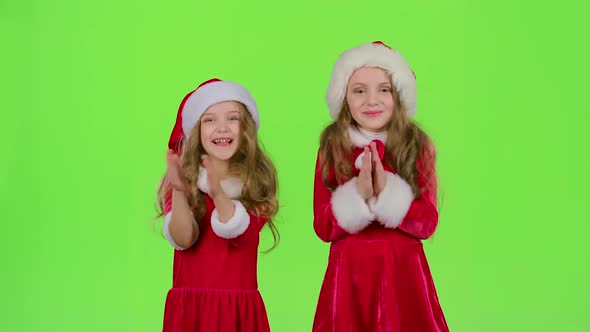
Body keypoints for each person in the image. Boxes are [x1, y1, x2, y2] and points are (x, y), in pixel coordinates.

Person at [312, 41, 449, 331]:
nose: (371, 100)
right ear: (344, 98)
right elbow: (323, 227)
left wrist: (388, 194)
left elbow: (427, 223)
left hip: (404, 277)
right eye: (359, 90)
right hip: (349, 281)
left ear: (399, 95)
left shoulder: (416, 145)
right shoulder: (332, 147)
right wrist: (358, 196)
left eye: (384, 89)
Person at [155, 78, 279, 332]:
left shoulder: (255, 184)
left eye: (232, 118)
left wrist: (219, 194)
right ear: (196, 132)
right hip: (191, 314)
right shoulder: (182, 182)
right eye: (209, 120)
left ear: (246, 128)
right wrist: (179, 191)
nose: (221, 128)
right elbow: (183, 238)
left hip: (237, 314)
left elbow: (240, 234)